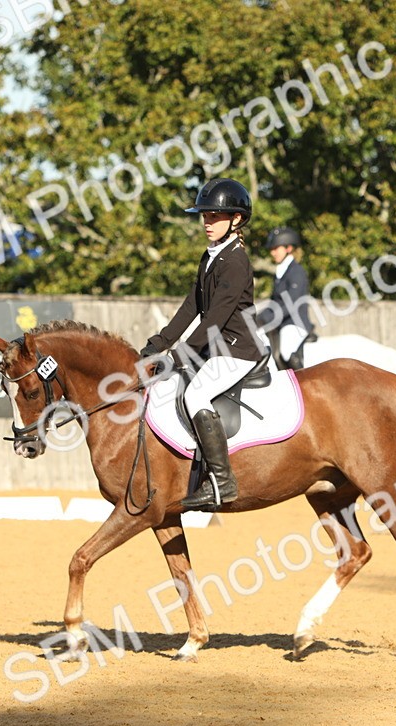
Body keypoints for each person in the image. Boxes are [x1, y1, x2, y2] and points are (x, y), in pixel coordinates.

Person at [139, 178, 266, 511]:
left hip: (237, 349)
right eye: (205, 216)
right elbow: (192, 306)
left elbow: (216, 318)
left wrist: (181, 354)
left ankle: (222, 481)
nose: (207, 223)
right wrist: (159, 343)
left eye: (214, 216)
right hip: (216, 346)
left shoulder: (236, 261)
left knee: (195, 395)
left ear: (236, 219)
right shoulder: (211, 256)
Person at [258, 226, 314, 370]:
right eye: (272, 249)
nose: (273, 252)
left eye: (276, 248)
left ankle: (302, 379)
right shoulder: (280, 272)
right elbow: (275, 301)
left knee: (286, 350)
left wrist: (271, 317)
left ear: (288, 248)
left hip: (294, 322)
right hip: (281, 322)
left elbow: (292, 303)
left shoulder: (296, 271)